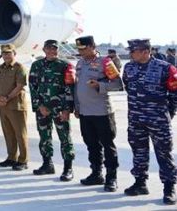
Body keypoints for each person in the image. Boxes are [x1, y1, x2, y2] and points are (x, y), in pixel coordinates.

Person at [122, 39, 177, 205]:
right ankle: (140, 183)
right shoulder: (129, 67)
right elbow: (127, 85)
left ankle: (169, 188)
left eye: (134, 51)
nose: (131, 53)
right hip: (135, 118)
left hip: (158, 119)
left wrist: (168, 113)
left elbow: (175, 93)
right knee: (138, 152)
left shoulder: (165, 68)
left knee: (164, 153)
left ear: (146, 51)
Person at [74, 35, 123, 192]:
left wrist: (99, 85)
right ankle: (96, 173)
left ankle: (111, 178)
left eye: (82, 49)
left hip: (102, 112)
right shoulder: (80, 63)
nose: (80, 52)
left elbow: (117, 84)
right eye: (79, 49)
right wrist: (77, 106)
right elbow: (78, 86)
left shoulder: (105, 62)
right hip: (85, 112)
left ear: (91, 47)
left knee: (108, 145)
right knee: (91, 145)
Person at [29, 40, 75, 181]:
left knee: (65, 138)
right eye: (49, 48)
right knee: (44, 137)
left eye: (54, 49)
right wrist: (39, 106)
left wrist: (67, 109)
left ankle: (68, 168)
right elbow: (32, 86)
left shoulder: (64, 65)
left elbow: (69, 88)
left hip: (60, 109)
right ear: (44, 50)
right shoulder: (36, 65)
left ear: (57, 50)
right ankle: (47, 164)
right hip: (42, 109)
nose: (51, 51)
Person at [0, 44, 29, 171]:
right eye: (4, 53)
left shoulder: (19, 68)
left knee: (20, 134)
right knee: (8, 133)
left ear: (14, 53)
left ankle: (23, 160)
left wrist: (6, 98)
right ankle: (11, 157)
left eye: (9, 53)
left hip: (15, 106)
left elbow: (19, 86)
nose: (6, 55)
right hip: (2, 106)